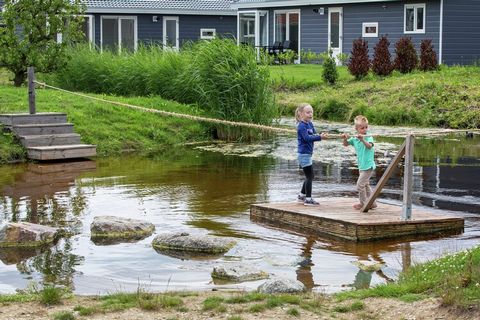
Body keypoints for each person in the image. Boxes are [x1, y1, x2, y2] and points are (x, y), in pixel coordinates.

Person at [342, 115, 377, 210]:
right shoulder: (354, 138)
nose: (364, 129)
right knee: (365, 184)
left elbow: (369, 146)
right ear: (357, 128)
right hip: (362, 166)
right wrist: (345, 138)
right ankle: (372, 202)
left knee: (360, 185)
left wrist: (363, 140)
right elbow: (345, 144)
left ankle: (363, 203)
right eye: (362, 128)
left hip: (368, 166)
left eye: (366, 127)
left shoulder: (368, 136)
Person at [296, 103, 327, 206]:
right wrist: (319, 138)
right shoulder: (301, 126)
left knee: (309, 175)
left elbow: (313, 134)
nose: (310, 114)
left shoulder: (310, 124)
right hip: (303, 154)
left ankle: (301, 195)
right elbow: (307, 138)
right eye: (307, 112)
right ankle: (308, 199)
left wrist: (321, 135)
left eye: (311, 112)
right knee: (310, 176)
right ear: (301, 114)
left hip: (308, 154)